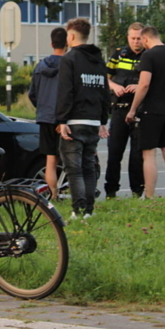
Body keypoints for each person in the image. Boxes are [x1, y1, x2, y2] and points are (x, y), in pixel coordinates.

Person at [54, 18, 109, 219]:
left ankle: (78, 211)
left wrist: (62, 120)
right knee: (88, 167)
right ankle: (89, 211)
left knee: (74, 169)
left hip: (74, 122)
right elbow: (104, 91)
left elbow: (65, 92)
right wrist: (103, 120)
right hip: (94, 121)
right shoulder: (99, 60)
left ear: (71, 36)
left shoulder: (69, 59)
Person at [125, 26, 165, 199]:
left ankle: (150, 196)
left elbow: (143, 85)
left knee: (149, 154)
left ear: (145, 39)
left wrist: (133, 109)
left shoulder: (148, 56)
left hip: (151, 110)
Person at [104, 22, 145, 199]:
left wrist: (140, 87)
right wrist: (114, 86)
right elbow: (104, 77)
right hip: (119, 109)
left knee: (137, 156)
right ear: (128, 38)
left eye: (139, 38)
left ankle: (137, 191)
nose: (136, 42)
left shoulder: (149, 56)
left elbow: (154, 82)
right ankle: (111, 191)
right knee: (114, 152)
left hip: (140, 111)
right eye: (133, 38)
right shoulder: (119, 54)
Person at [28, 27, 67, 200]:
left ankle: (53, 195)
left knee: (50, 160)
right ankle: (74, 195)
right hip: (64, 120)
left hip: (45, 118)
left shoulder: (40, 66)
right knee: (70, 160)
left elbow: (32, 94)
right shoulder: (69, 65)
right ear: (68, 44)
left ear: (51, 44)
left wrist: (42, 108)